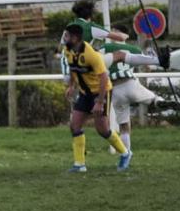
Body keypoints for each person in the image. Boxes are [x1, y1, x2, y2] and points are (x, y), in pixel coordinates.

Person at [62, 24, 130, 172]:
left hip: (101, 92)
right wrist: (72, 86)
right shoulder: (67, 50)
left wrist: (99, 102)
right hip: (85, 93)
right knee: (74, 125)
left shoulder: (91, 54)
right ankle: (79, 165)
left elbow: (104, 78)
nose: (64, 38)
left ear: (75, 38)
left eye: (67, 36)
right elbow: (73, 69)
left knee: (103, 130)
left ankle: (125, 153)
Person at [101, 33, 160, 162]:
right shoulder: (135, 49)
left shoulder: (105, 47)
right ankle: (157, 101)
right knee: (151, 98)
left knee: (123, 125)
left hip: (115, 89)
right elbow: (148, 67)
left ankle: (126, 154)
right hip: (130, 83)